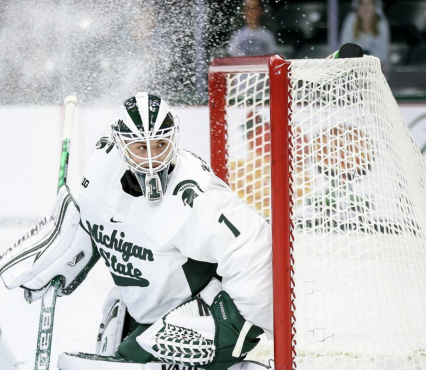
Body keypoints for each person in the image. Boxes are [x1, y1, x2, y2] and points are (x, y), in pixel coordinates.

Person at [0, 93, 273, 370]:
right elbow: (99, 214)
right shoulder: (102, 164)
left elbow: (257, 252)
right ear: (120, 144)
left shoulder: (196, 195)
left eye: (161, 144)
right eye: (141, 147)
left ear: (174, 139)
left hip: (193, 321)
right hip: (140, 310)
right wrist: (74, 239)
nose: (153, 159)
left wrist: (228, 328)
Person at [340, 0, 390, 70]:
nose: (366, 8)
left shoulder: (381, 23)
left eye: (369, 4)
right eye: (362, 5)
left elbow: (382, 54)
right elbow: (344, 49)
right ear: (357, 7)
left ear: (375, 7)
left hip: (376, 69)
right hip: (353, 68)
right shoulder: (351, 20)